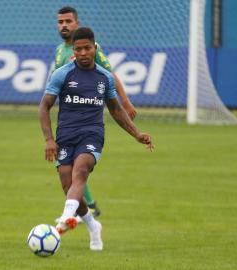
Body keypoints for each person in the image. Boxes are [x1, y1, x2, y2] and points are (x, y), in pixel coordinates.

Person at [39, 27, 153, 251]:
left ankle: (64, 221)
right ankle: (92, 225)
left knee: (80, 170)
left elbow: (116, 110)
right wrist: (49, 140)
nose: (83, 53)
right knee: (67, 183)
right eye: (78, 49)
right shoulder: (62, 74)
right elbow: (44, 106)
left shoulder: (104, 77)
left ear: (95, 48)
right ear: (74, 50)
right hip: (66, 135)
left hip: (92, 133)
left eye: (87, 48)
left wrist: (137, 134)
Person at [53, 6, 137, 218]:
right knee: (70, 170)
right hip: (67, 121)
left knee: (79, 168)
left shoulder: (92, 50)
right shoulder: (59, 51)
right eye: (60, 22)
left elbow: (110, 74)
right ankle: (87, 208)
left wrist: (125, 103)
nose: (64, 25)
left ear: (77, 23)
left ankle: (82, 209)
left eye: (68, 21)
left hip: (88, 122)